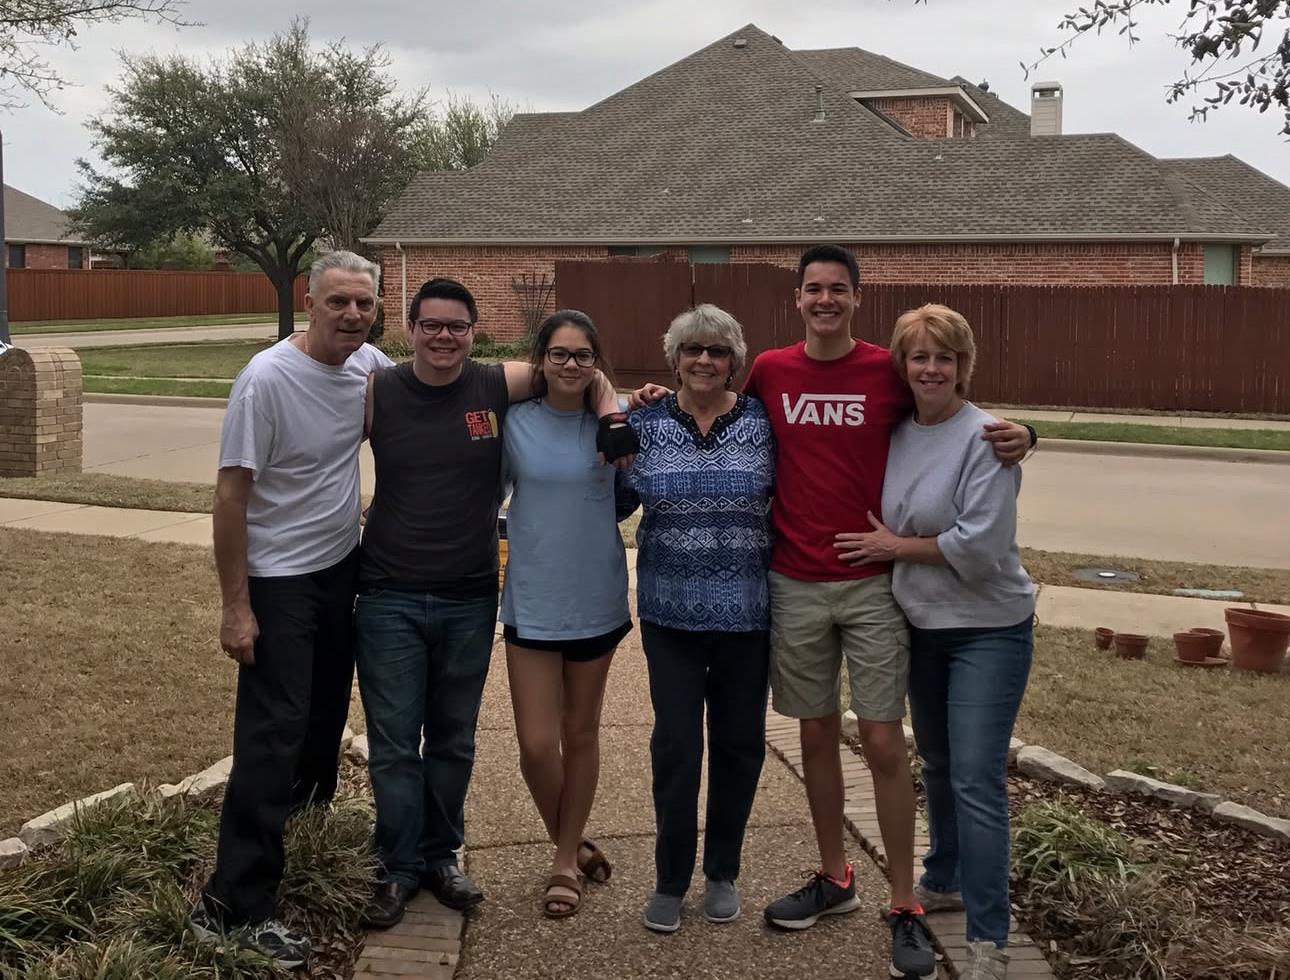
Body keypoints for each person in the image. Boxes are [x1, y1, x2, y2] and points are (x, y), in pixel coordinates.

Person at [636, 246, 1032, 980]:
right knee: (815, 734)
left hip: (874, 583)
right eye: (813, 288)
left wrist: (1026, 434)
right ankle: (834, 877)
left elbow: (953, 413)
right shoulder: (774, 373)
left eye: (837, 289)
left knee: (882, 742)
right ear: (796, 300)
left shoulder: (888, 369)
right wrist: (647, 400)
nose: (825, 299)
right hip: (791, 581)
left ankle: (906, 902)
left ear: (856, 297)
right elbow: (715, 407)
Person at [355, 280, 633, 929]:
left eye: (457, 326)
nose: (444, 336)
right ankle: (397, 868)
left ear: (475, 331)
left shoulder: (492, 387)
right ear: (411, 326)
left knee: (454, 741)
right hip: (392, 591)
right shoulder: (382, 388)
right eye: (432, 325)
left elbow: (584, 375)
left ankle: (444, 856)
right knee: (398, 744)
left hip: (472, 595)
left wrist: (616, 410)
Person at [190, 251, 393, 969]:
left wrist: (600, 392)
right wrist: (236, 606)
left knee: (322, 719)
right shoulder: (266, 380)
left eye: (363, 304)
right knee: (273, 733)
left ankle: (300, 838)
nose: (352, 316)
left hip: (340, 570)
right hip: (278, 581)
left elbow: (455, 387)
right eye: (338, 302)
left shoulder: (371, 367)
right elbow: (229, 497)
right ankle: (232, 907)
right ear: (310, 302)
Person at [839, 304, 1035, 980]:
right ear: (903, 365)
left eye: (944, 358)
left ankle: (989, 941)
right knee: (943, 767)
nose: (930, 369)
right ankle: (943, 877)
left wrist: (894, 546)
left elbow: (981, 551)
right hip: (922, 627)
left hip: (989, 629)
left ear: (963, 366)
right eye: (919, 357)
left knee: (977, 779)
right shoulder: (893, 433)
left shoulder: (988, 438)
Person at [620, 304, 775, 933]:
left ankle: (722, 872)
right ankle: (669, 878)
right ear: (674, 359)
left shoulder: (763, 422)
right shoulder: (646, 422)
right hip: (669, 614)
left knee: (739, 746)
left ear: (734, 360)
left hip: (748, 613)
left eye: (716, 351)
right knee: (677, 746)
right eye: (692, 350)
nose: (704, 360)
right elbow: (613, 500)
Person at [500, 309, 637, 919]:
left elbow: (639, 489)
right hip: (531, 598)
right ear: (541, 359)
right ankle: (574, 839)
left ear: (596, 363)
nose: (571, 365)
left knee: (579, 735)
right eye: (559, 354)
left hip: (596, 599)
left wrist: (620, 412)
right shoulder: (515, 424)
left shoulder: (615, 425)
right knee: (535, 744)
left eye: (584, 355)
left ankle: (561, 863)